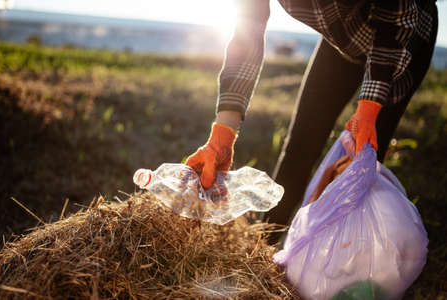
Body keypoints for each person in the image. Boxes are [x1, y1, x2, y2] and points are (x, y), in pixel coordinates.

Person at [185, 0, 439, 238]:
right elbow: (247, 30)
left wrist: (369, 110)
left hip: (400, 41)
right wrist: (222, 135)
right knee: (300, 144)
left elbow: (396, 17)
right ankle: (265, 244)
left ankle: (342, 260)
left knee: (362, 162)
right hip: (342, 39)